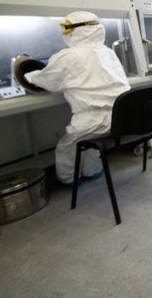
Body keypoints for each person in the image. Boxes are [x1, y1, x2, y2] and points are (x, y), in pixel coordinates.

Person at [24, 11, 130, 185]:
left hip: (93, 119)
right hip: (122, 117)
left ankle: (70, 179)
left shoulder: (68, 56)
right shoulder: (108, 52)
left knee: (67, 145)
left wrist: (26, 74)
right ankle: (92, 170)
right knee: (87, 139)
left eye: (66, 29)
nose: (65, 33)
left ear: (76, 31)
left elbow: (47, 81)